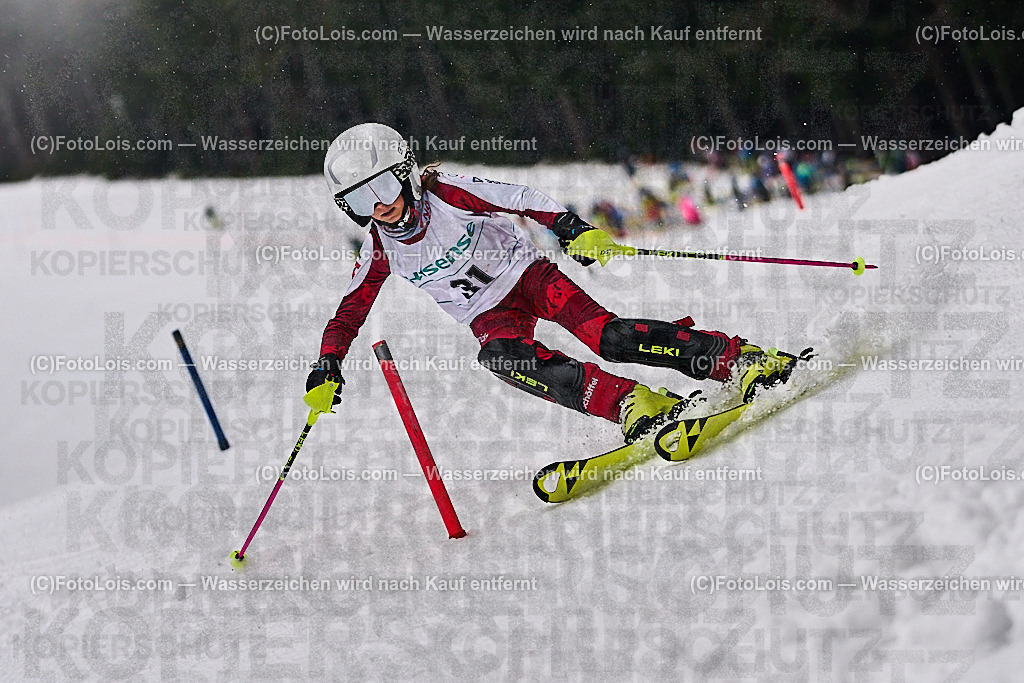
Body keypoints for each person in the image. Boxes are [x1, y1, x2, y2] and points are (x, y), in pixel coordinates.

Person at [307, 123, 797, 443]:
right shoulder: (379, 247)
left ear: (405, 174)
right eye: (359, 199)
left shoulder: (446, 194)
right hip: (489, 315)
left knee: (609, 337)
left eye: (384, 187)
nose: (379, 206)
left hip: (528, 277)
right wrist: (328, 363)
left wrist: (570, 227)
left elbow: (518, 195)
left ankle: (735, 358)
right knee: (500, 358)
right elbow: (349, 312)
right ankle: (630, 402)